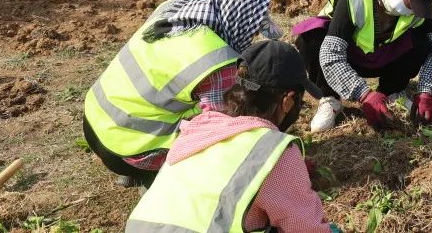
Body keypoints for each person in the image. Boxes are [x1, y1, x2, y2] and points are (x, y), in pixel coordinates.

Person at [83, 0, 282, 187]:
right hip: (131, 149)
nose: (251, 37)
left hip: (94, 121)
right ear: (238, 21)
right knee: (220, 139)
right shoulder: (215, 60)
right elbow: (221, 126)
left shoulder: (172, 10)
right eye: (251, 30)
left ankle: (133, 172)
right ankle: (156, 180)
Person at [126, 40, 340, 232]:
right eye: (300, 102)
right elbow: (306, 229)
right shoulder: (274, 152)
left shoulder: (199, 127)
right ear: (288, 100)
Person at [292, 0, 432, 132]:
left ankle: (393, 90)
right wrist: (363, 94)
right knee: (310, 39)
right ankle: (330, 98)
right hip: (349, 57)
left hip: (385, 57)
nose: (413, 10)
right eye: (411, 3)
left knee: (424, 41)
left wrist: (427, 91)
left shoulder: (420, 3)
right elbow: (331, 54)